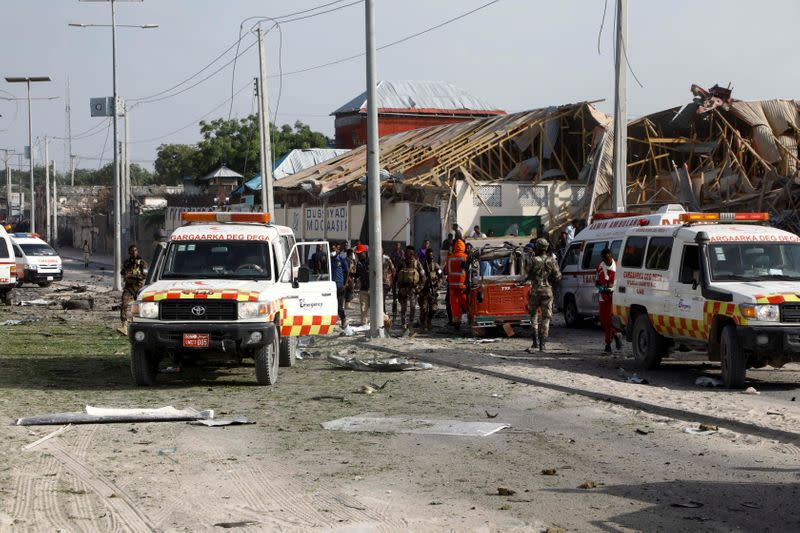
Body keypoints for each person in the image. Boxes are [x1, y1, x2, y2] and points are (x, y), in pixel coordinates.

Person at [524, 238, 562, 353]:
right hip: (548, 291)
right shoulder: (552, 260)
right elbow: (558, 276)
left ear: (537, 248)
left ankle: (535, 342)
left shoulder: (532, 260)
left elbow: (526, 274)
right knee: (546, 318)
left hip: (535, 291)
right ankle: (543, 344)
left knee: (533, 316)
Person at [597, 248, 622, 353]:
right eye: (604, 259)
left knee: (610, 321)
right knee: (603, 322)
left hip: (614, 297)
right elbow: (597, 283)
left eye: (607, 258)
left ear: (611, 256)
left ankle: (608, 344)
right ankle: (615, 335)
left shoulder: (619, 267)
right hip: (603, 297)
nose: (606, 261)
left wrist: (614, 289)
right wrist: (602, 289)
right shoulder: (600, 268)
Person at [396, 245, 426, 331]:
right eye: (407, 253)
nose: (408, 255)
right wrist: (396, 289)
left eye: (411, 253)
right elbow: (396, 276)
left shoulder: (417, 263)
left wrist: (420, 288)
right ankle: (403, 324)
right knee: (403, 308)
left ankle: (411, 323)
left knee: (413, 307)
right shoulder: (402, 263)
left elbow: (423, 277)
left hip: (413, 289)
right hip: (403, 289)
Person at [120, 244, 148, 333]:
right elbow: (122, 272)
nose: (134, 252)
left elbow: (144, 275)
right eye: (132, 251)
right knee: (124, 304)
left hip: (138, 287)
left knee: (140, 306)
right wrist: (125, 273)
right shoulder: (127, 262)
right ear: (129, 252)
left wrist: (132, 275)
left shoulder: (142, 263)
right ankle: (124, 325)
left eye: (135, 250)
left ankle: (142, 324)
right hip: (128, 287)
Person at [445, 239, 468, 328]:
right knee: (465, 303)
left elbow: (446, 271)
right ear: (463, 247)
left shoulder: (450, 258)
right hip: (463, 285)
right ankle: (468, 318)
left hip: (452, 286)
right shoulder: (465, 257)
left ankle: (456, 322)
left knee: (454, 304)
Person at [418, 248, 442, 331]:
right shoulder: (422, 266)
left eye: (432, 256)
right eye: (429, 256)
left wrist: (437, 286)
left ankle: (429, 321)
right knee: (423, 309)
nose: (431, 258)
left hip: (433, 290)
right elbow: (418, 277)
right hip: (424, 290)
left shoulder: (436, 266)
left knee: (433, 308)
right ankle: (422, 323)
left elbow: (441, 277)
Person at [331, 242, 349, 327]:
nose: (334, 250)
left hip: (340, 285)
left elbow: (347, 271)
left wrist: (345, 283)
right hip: (331, 286)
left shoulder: (341, 258)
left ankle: (343, 318)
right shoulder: (330, 258)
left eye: (335, 249)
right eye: (332, 249)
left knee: (339, 306)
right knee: (332, 305)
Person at [354, 244, 370, 325]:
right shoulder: (359, 263)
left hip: (373, 289)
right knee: (363, 308)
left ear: (365, 252)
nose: (358, 255)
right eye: (357, 254)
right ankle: (364, 324)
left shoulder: (372, 261)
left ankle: (379, 324)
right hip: (363, 289)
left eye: (360, 253)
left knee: (377, 309)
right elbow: (357, 275)